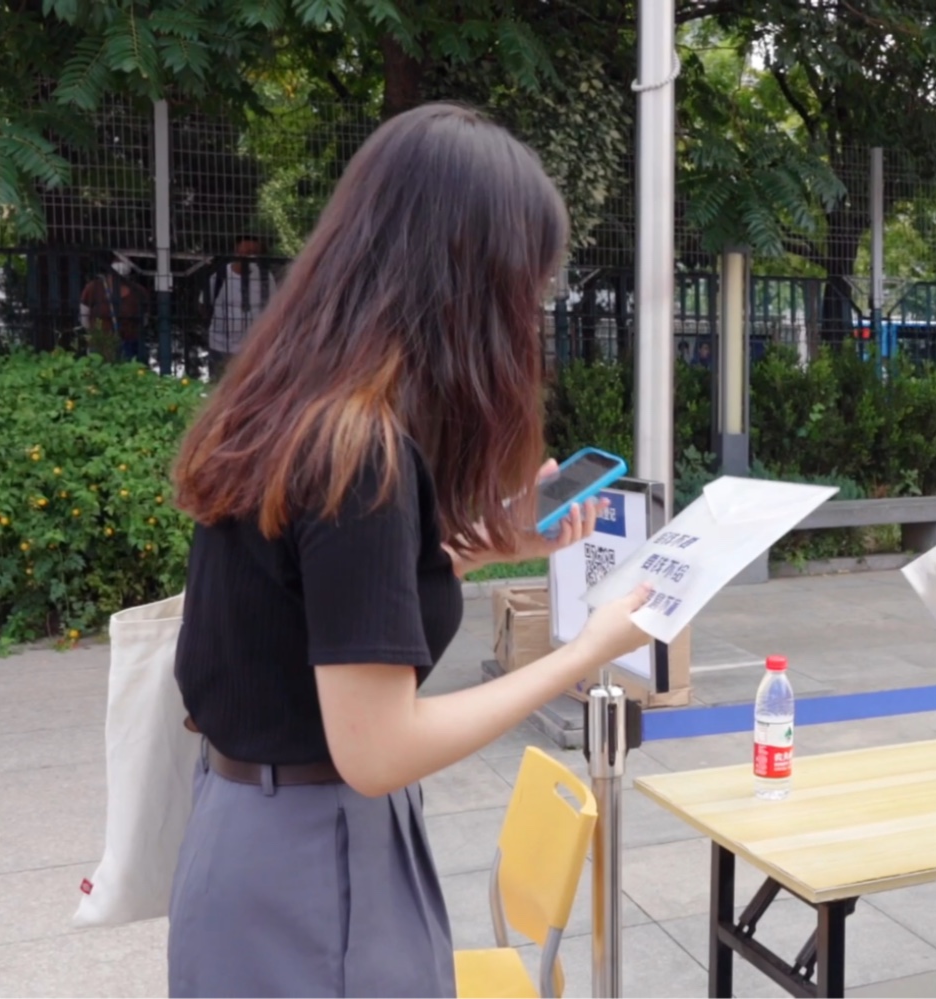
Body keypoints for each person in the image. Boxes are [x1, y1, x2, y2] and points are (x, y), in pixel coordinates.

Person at [167, 103, 654, 998]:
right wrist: (585, 651)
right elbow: (377, 748)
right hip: (315, 865)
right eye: (529, 288)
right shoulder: (361, 452)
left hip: (252, 835)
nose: (532, 317)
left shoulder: (294, 401)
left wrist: (479, 545)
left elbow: (309, 606)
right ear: (468, 280)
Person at [203, 236, 276, 381]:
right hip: (221, 345)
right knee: (220, 385)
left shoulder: (265, 278)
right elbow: (204, 304)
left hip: (254, 348)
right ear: (236, 252)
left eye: (254, 252)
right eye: (246, 252)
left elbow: (275, 309)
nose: (249, 256)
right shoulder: (220, 276)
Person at [78, 257, 149, 362]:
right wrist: (95, 335)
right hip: (100, 344)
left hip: (128, 344)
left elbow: (144, 319)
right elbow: (84, 317)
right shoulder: (93, 288)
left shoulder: (139, 292)